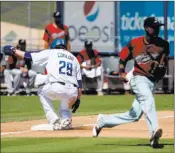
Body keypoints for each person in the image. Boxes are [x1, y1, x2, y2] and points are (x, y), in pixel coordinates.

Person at [93, 17, 169, 148]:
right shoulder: (135, 43)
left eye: (158, 26)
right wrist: (122, 71)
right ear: (147, 28)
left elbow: (162, 68)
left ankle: (103, 121)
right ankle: (154, 132)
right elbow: (123, 57)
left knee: (133, 115)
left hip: (151, 81)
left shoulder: (164, 45)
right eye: (154, 26)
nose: (157, 28)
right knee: (148, 99)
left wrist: (160, 69)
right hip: (138, 78)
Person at [3, 38, 82, 130]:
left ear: (53, 46)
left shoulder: (51, 52)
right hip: (73, 92)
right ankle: (66, 120)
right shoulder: (74, 58)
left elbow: (27, 55)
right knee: (64, 107)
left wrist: (13, 50)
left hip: (57, 87)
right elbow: (80, 84)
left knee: (41, 91)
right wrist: (78, 99)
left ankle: (54, 120)